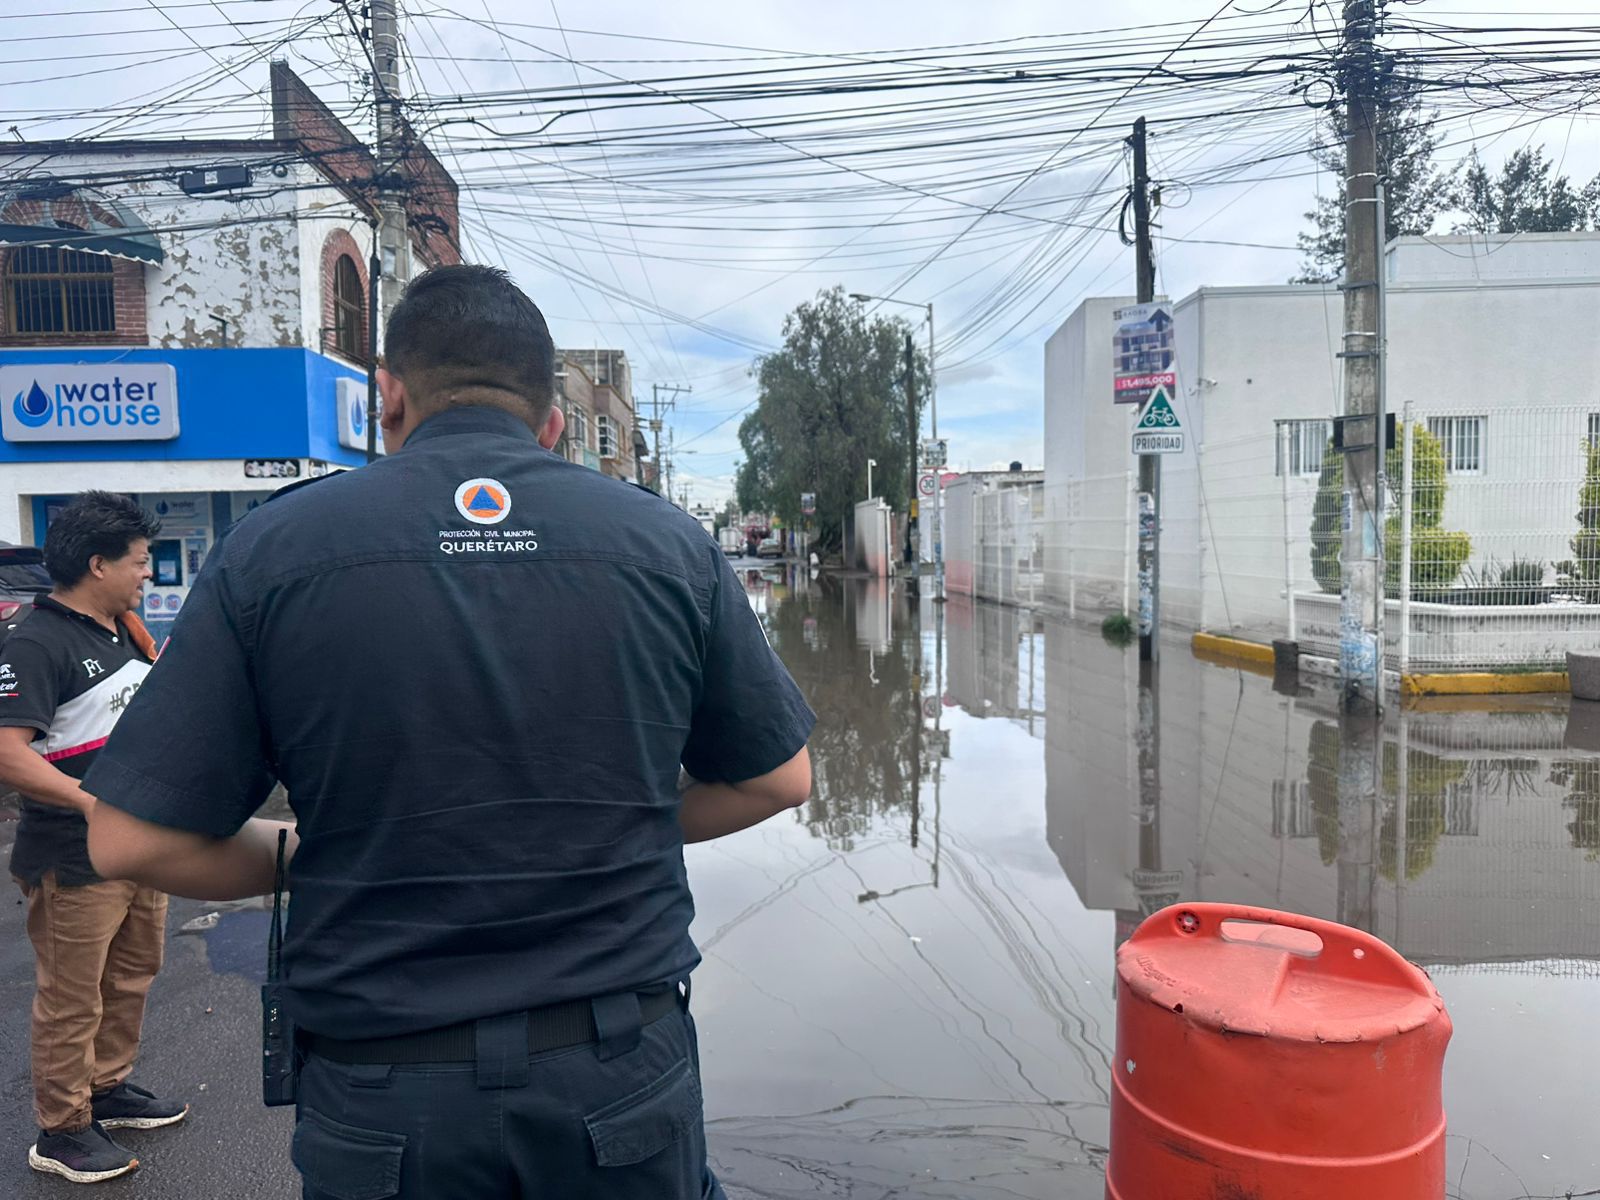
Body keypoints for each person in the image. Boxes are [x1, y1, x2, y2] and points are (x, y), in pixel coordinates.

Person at [83, 264, 815, 1199]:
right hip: (617, 1076)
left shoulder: (272, 551)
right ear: (552, 421)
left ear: (387, 397)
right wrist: (607, 823)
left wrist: (312, 852)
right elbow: (780, 778)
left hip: (383, 1097)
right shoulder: (669, 545)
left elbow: (126, 836)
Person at [0, 492, 188, 1184]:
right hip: (72, 855)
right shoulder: (37, 639)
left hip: (140, 843)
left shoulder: (122, 630)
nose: (148, 575)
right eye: (139, 563)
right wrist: (93, 802)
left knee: (132, 974)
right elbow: (8, 750)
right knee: (73, 994)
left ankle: (108, 1088)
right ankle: (63, 1129)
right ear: (96, 563)